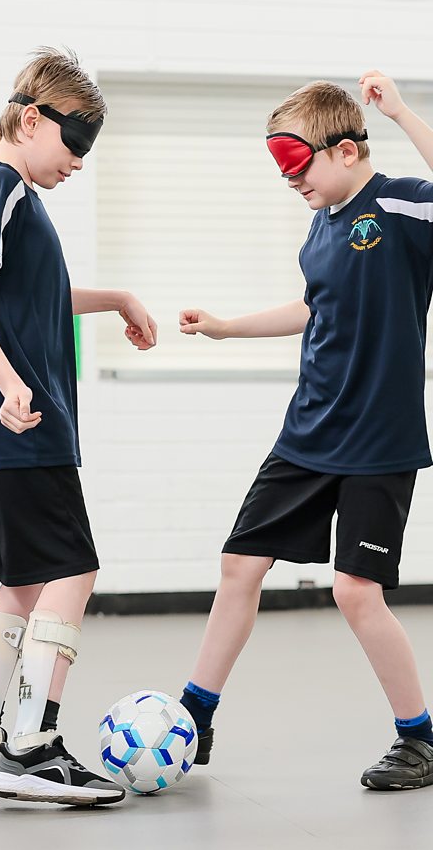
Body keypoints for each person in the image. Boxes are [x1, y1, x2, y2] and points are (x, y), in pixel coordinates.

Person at [179, 71, 433, 791]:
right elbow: (314, 307)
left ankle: (420, 738)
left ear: (348, 150)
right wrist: (228, 328)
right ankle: (196, 713)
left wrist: (403, 111)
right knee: (240, 564)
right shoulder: (321, 225)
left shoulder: (404, 205)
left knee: (355, 591)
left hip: (379, 439)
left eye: (300, 166)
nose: (292, 182)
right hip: (309, 430)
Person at [0, 46, 156, 806]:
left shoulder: (18, 203)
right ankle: (32, 748)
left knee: (25, 582)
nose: (78, 162)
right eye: (74, 144)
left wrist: (121, 298)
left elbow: (39, 299)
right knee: (74, 570)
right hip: (18, 423)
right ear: (32, 119)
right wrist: (10, 384)